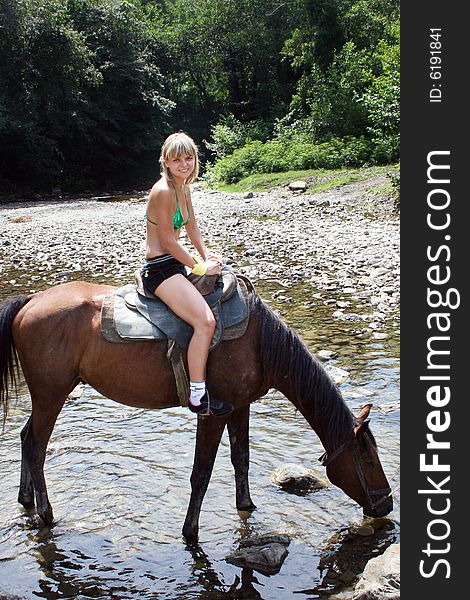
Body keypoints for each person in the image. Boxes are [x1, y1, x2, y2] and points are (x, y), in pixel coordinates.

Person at [141, 131, 233, 417]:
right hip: (159, 268)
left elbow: (191, 227)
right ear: (166, 162)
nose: (184, 164)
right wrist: (198, 267)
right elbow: (168, 240)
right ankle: (196, 395)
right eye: (177, 159)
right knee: (205, 322)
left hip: (175, 263)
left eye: (189, 158)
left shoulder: (183, 187)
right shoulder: (164, 190)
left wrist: (208, 256)